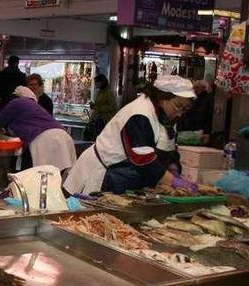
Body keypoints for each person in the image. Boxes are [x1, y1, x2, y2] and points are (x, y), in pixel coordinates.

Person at [64, 75, 198, 195]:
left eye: (184, 109)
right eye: (178, 106)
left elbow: (168, 149)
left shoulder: (166, 118)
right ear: (163, 98)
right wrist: (173, 181)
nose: (180, 113)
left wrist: (173, 167)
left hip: (125, 175)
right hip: (103, 174)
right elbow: (143, 160)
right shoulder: (139, 114)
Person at [0, 86, 77, 175]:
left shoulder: (17, 102)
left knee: (37, 178)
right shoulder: (35, 107)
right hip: (64, 137)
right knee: (55, 179)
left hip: (45, 139)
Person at [177, 79, 214, 145]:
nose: (195, 89)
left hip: (199, 130)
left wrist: (206, 131)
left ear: (204, 88)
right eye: (194, 87)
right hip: (190, 129)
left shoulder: (208, 99)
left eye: (197, 87)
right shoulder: (192, 98)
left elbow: (208, 116)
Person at [88, 74, 117, 138]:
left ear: (101, 82)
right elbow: (99, 104)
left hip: (104, 121)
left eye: (97, 82)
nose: (96, 84)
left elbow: (112, 107)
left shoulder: (109, 92)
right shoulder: (100, 91)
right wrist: (93, 105)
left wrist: (97, 108)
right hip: (98, 119)